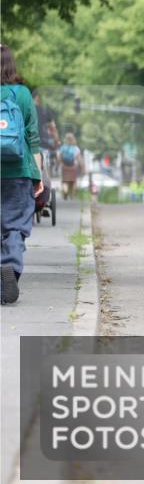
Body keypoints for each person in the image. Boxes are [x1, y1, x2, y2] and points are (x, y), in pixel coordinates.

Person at [1, 44, 44, 305]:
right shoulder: (23, 94)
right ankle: (11, 268)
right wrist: (38, 176)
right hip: (19, 170)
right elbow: (33, 139)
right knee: (15, 226)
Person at [59, 132, 82, 200]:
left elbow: (60, 158)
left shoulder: (62, 147)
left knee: (65, 181)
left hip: (65, 167)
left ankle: (65, 192)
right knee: (73, 182)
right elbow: (79, 159)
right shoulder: (75, 148)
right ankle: (73, 196)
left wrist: (60, 164)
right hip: (73, 167)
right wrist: (81, 167)